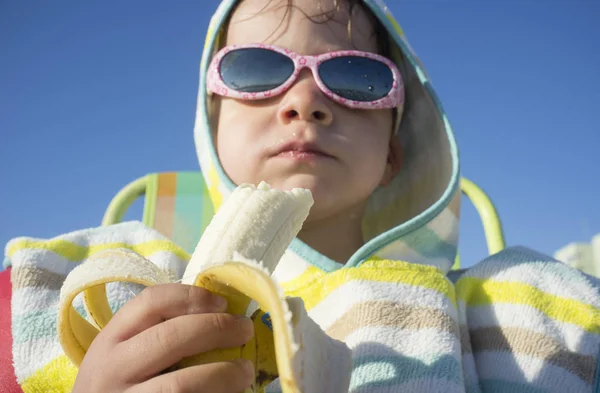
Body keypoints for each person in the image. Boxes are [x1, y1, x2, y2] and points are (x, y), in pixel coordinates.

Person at [3, 0, 599, 392]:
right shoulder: (132, 289)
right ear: (212, 129)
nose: (304, 100)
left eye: (355, 77)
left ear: (394, 154)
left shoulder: (508, 309)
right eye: (256, 70)